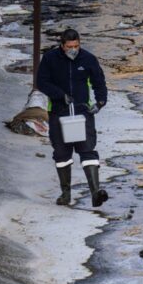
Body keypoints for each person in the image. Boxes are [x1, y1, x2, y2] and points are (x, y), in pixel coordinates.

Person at [37, 28, 109, 207]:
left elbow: (99, 82)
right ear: (62, 46)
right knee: (61, 154)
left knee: (88, 150)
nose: (73, 50)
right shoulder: (50, 59)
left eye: (76, 46)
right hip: (59, 112)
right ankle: (65, 193)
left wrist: (100, 102)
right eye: (69, 47)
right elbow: (42, 82)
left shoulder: (89, 59)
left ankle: (95, 193)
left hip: (82, 112)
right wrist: (60, 95)